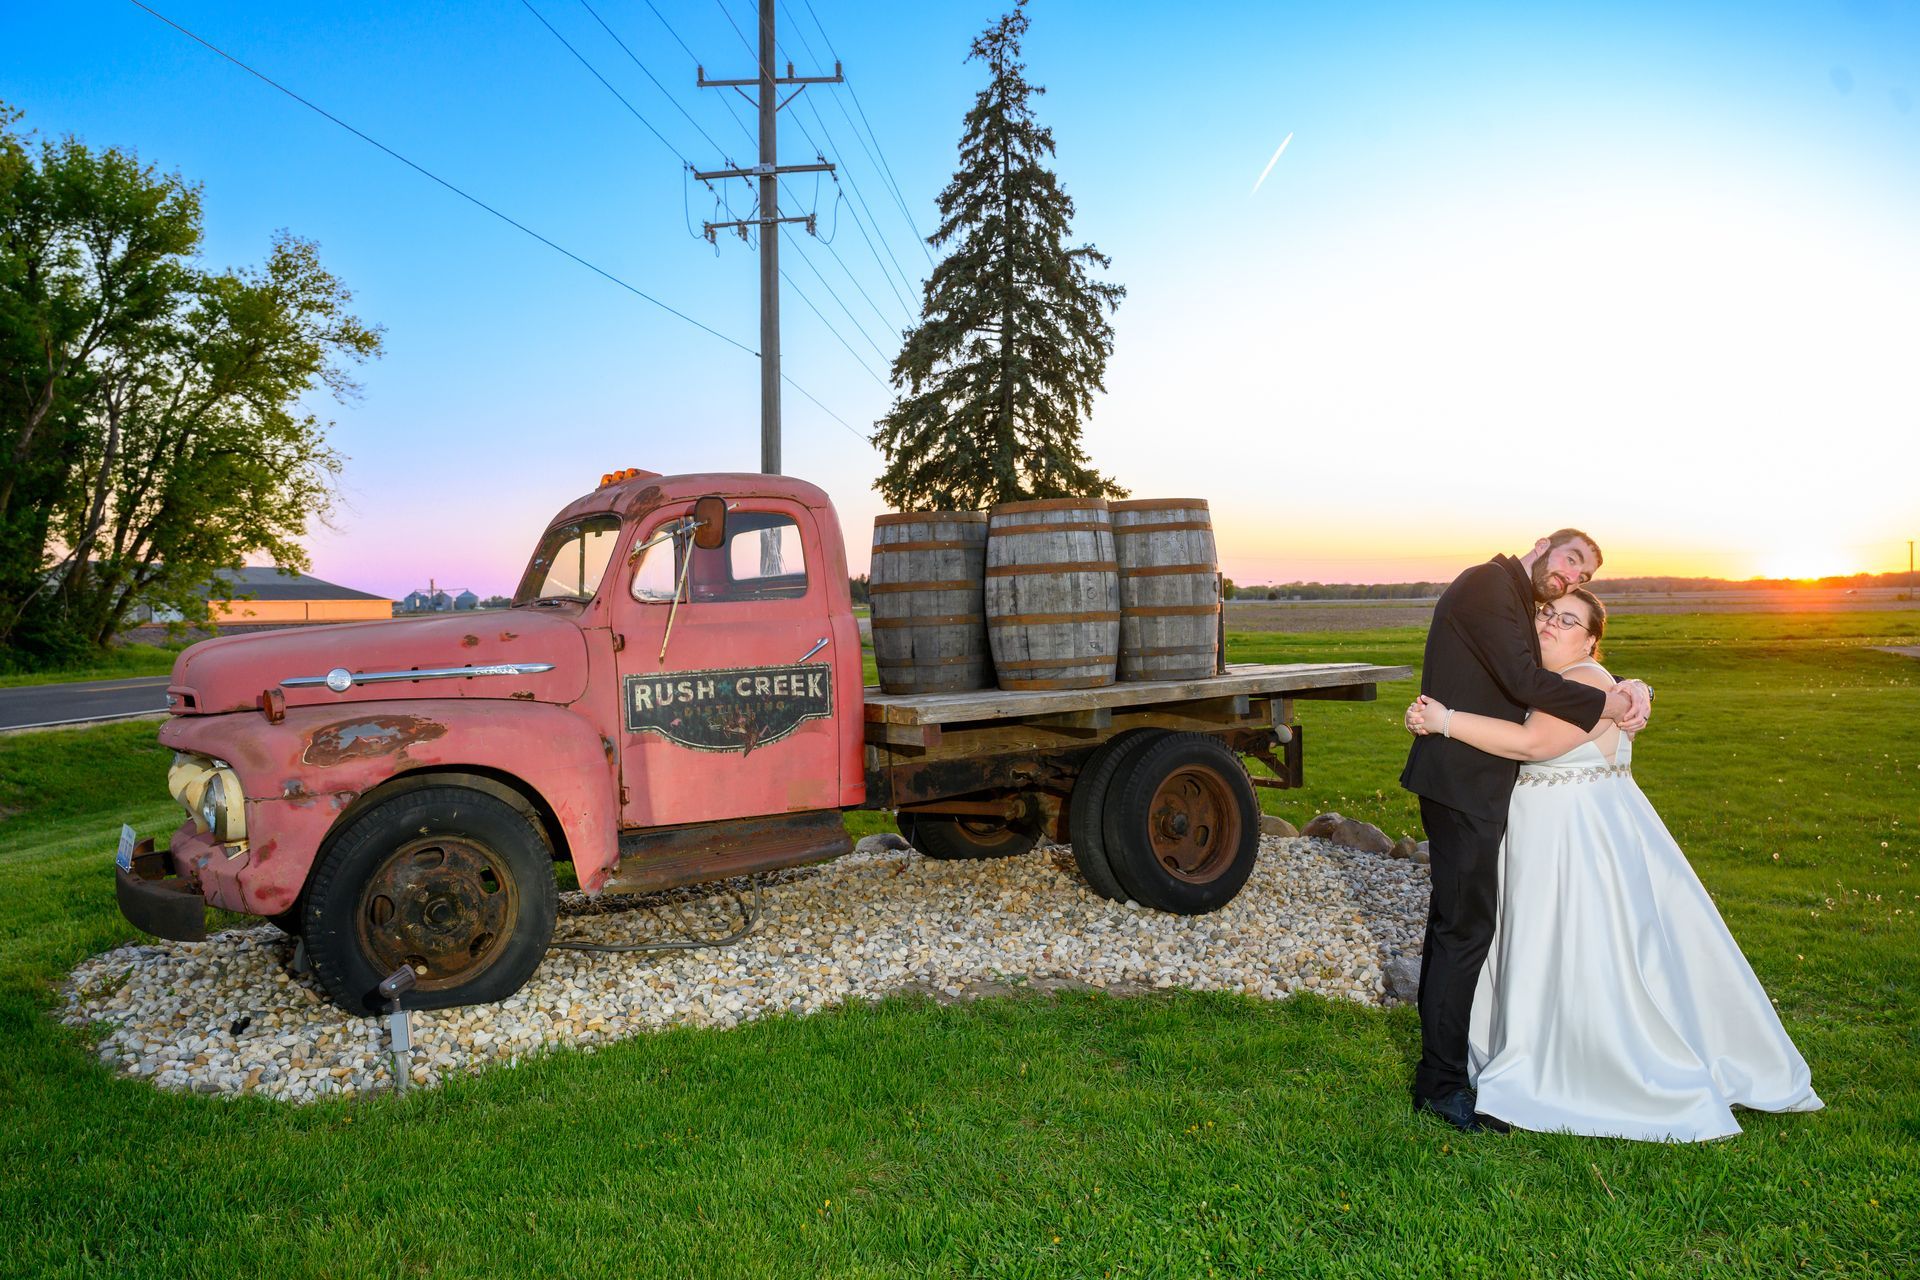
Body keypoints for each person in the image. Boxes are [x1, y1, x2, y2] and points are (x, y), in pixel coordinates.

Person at [1407, 589, 1821, 1140]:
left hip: (1576, 849)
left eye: (1569, 620)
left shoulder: (1587, 683)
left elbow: (1533, 744)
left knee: (1582, 957)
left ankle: (1588, 1068)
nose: (1552, 623)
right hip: (1556, 842)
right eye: (1546, 614)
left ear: (1592, 641)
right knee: (1553, 954)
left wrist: (1445, 720)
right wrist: (1638, 688)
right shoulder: (1559, 682)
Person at [1400, 530, 1651, 1134]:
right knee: (1464, 933)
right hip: (1463, 785)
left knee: (1456, 929)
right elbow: (1522, 681)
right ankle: (1440, 1086)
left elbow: (1558, 665)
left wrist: (1633, 686)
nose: (1569, 578)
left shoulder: (1518, 599)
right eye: (1570, 560)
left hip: (1473, 786)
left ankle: (1447, 1068)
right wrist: (1612, 703)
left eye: (1582, 577)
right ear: (1542, 544)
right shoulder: (1490, 583)